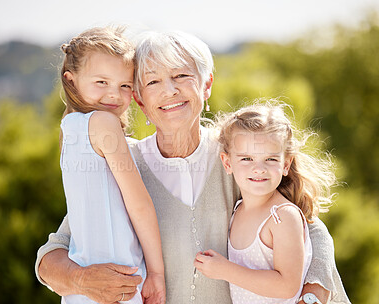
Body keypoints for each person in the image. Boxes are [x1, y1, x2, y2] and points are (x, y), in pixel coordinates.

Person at [35, 30, 349, 304]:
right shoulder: (123, 162)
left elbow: (308, 226)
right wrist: (81, 280)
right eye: (153, 81)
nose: (169, 90)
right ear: (140, 101)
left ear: (206, 85)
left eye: (182, 76)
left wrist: (312, 294)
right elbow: (53, 252)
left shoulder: (239, 158)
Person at [194, 102, 350, 303]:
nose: (259, 168)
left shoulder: (282, 216)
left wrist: (225, 270)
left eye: (270, 159)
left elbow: (287, 285)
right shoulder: (237, 209)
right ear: (227, 163)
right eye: (247, 158)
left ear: (285, 164)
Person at [55, 26, 165, 304]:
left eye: (125, 85)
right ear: (71, 80)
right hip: (121, 278)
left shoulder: (69, 131)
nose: (114, 95)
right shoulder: (103, 123)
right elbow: (139, 205)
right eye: (101, 82)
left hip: (85, 285)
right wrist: (156, 272)